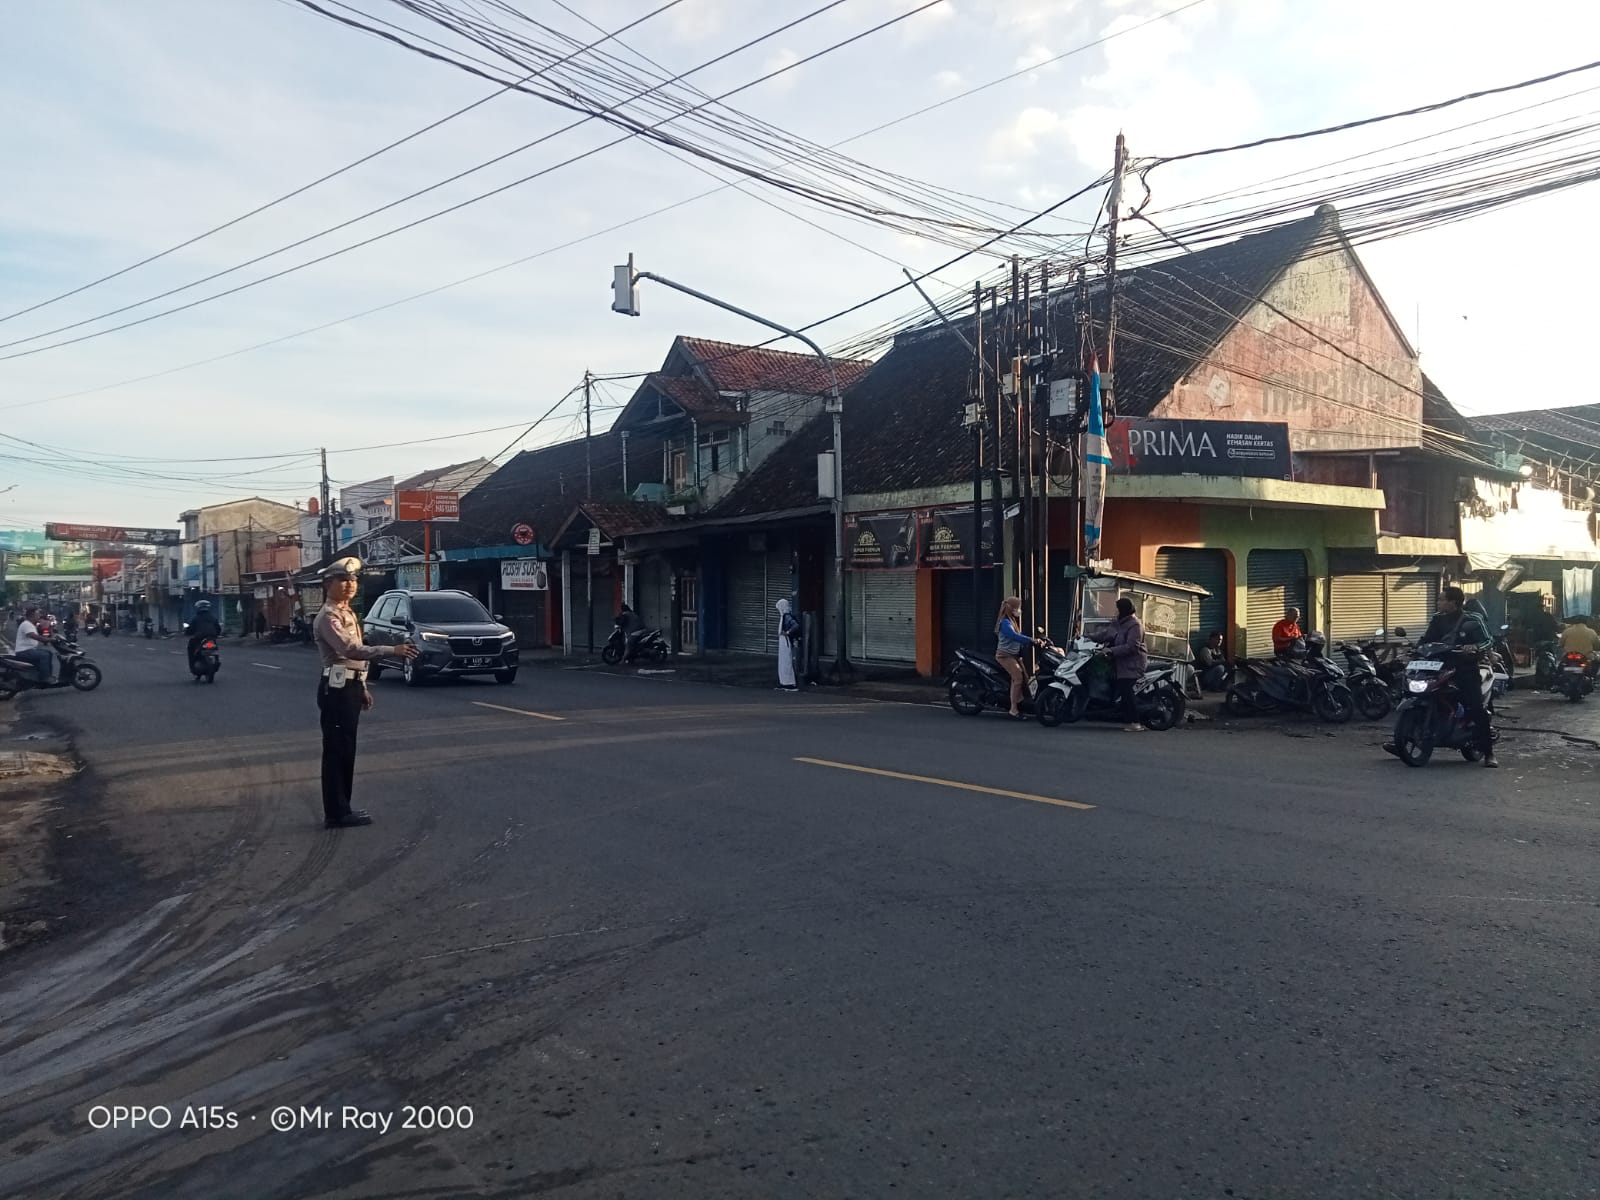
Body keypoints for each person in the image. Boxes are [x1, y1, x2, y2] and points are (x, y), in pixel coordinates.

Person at [313, 557, 417, 829]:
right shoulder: (329, 616)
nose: (350, 585)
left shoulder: (346, 613)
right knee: (337, 751)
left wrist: (362, 687)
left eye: (353, 581)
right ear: (328, 584)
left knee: (346, 749)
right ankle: (336, 813)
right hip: (336, 690)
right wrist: (391, 650)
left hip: (348, 687)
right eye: (343, 580)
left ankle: (343, 807)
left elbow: (352, 661)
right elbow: (349, 650)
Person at [1408, 585, 1497, 768]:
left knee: (1475, 707)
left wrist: (1474, 647)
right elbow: (1427, 639)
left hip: (1464, 668)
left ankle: (1489, 752)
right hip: (1438, 666)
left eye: (1441, 599)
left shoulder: (1472, 619)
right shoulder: (1437, 619)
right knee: (1414, 694)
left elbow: (1488, 640)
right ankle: (1403, 739)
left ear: (1453, 602)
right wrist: (1414, 649)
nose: (1438, 602)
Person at [1091, 596, 1150, 731]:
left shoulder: (1135, 625)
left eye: (1117, 609)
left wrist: (1111, 650)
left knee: (1126, 690)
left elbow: (1132, 646)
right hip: (1119, 663)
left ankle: (1135, 722)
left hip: (1132, 664)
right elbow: (1104, 635)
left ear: (1124, 610)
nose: (1115, 611)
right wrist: (1086, 637)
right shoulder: (1117, 623)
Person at [994, 596, 1043, 720]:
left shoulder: (1011, 621)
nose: (1019, 610)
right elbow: (1014, 636)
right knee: (1018, 678)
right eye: (1017, 608)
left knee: (1026, 677)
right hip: (1005, 656)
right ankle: (1013, 709)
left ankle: (1020, 701)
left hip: (1015, 655)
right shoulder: (1005, 622)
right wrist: (1031, 640)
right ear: (1011, 608)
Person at [13, 607, 53, 682]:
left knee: (49, 653)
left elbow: (41, 632)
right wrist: (49, 639)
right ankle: (45, 678)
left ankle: (41, 675)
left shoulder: (31, 624)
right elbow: (34, 636)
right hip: (24, 651)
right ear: (32, 616)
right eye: (37, 615)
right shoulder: (26, 624)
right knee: (44, 655)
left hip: (29, 650)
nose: (39, 616)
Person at [186, 601, 222, 675]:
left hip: (199, 639)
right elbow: (218, 629)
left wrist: (187, 632)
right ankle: (216, 660)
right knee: (214, 648)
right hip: (211, 638)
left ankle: (192, 666)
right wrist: (216, 634)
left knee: (191, 648)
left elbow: (190, 629)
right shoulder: (213, 618)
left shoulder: (196, 618)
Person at [775, 598, 800, 691]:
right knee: (782, 662)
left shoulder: (787, 616)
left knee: (786, 662)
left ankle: (790, 683)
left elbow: (796, 626)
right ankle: (784, 682)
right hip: (783, 640)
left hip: (785, 641)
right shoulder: (784, 616)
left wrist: (788, 632)